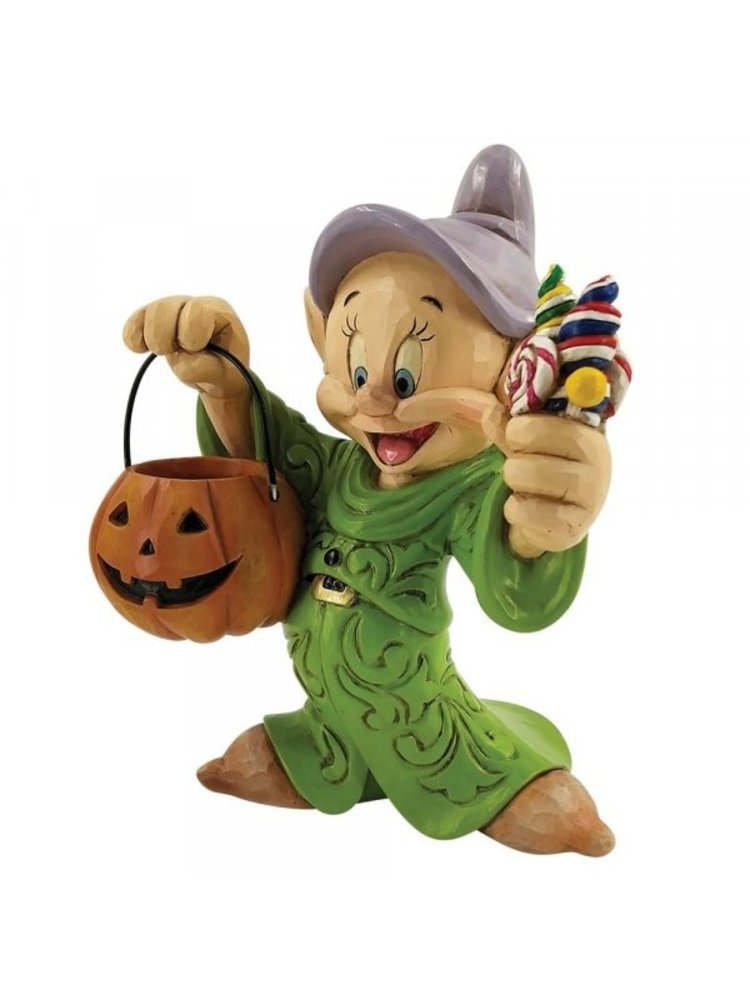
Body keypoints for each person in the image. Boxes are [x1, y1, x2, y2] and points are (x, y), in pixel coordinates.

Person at [123, 145, 615, 856]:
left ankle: (484, 776)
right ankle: (335, 751)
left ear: (514, 369)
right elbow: (269, 464)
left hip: (428, 727)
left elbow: (515, 565)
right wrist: (224, 383)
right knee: (249, 759)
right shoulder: (336, 469)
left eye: (408, 376)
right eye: (355, 370)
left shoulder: (468, 489)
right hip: (328, 717)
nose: (377, 399)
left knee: (550, 813)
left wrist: (549, 513)